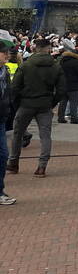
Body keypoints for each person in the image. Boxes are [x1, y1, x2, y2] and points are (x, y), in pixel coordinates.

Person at [7, 37, 64, 177]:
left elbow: (15, 87)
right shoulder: (56, 66)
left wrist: (17, 102)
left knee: (18, 134)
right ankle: (41, 166)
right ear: (49, 49)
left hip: (26, 103)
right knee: (45, 135)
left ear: (34, 49)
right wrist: (52, 102)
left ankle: (13, 163)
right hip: (45, 104)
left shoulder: (26, 65)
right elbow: (62, 90)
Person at [0, 32, 17, 204]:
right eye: (3, 52)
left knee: (3, 155)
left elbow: (8, 93)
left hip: (1, 118)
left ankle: (0, 191)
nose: (7, 55)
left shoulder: (5, 70)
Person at [57, 46, 78, 124]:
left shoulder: (62, 61)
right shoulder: (76, 62)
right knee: (74, 102)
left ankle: (60, 117)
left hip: (63, 84)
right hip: (74, 84)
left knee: (63, 102)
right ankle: (74, 118)